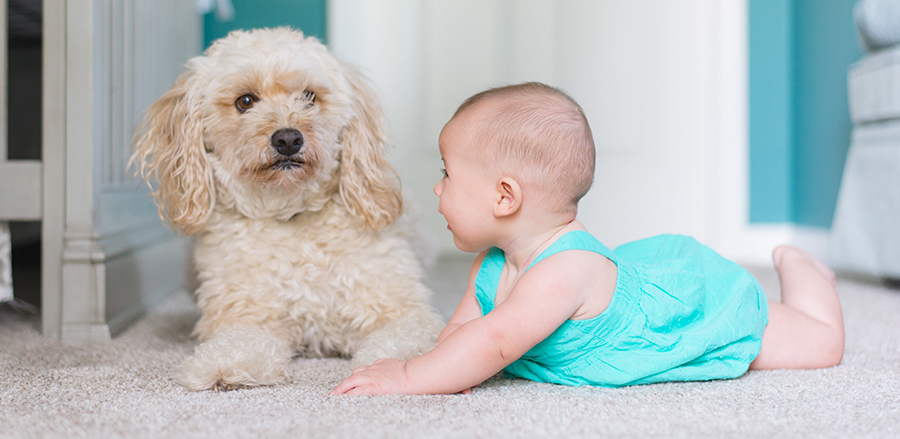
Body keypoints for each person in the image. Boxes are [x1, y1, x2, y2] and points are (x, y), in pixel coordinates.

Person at [332, 82, 845, 395]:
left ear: (504, 197)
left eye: (448, 175)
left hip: (689, 307)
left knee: (822, 345)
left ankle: (801, 268)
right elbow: (464, 336)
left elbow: (494, 342)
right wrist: (441, 369)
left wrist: (407, 378)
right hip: (629, 278)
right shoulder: (491, 264)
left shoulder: (562, 273)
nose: (437, 188)